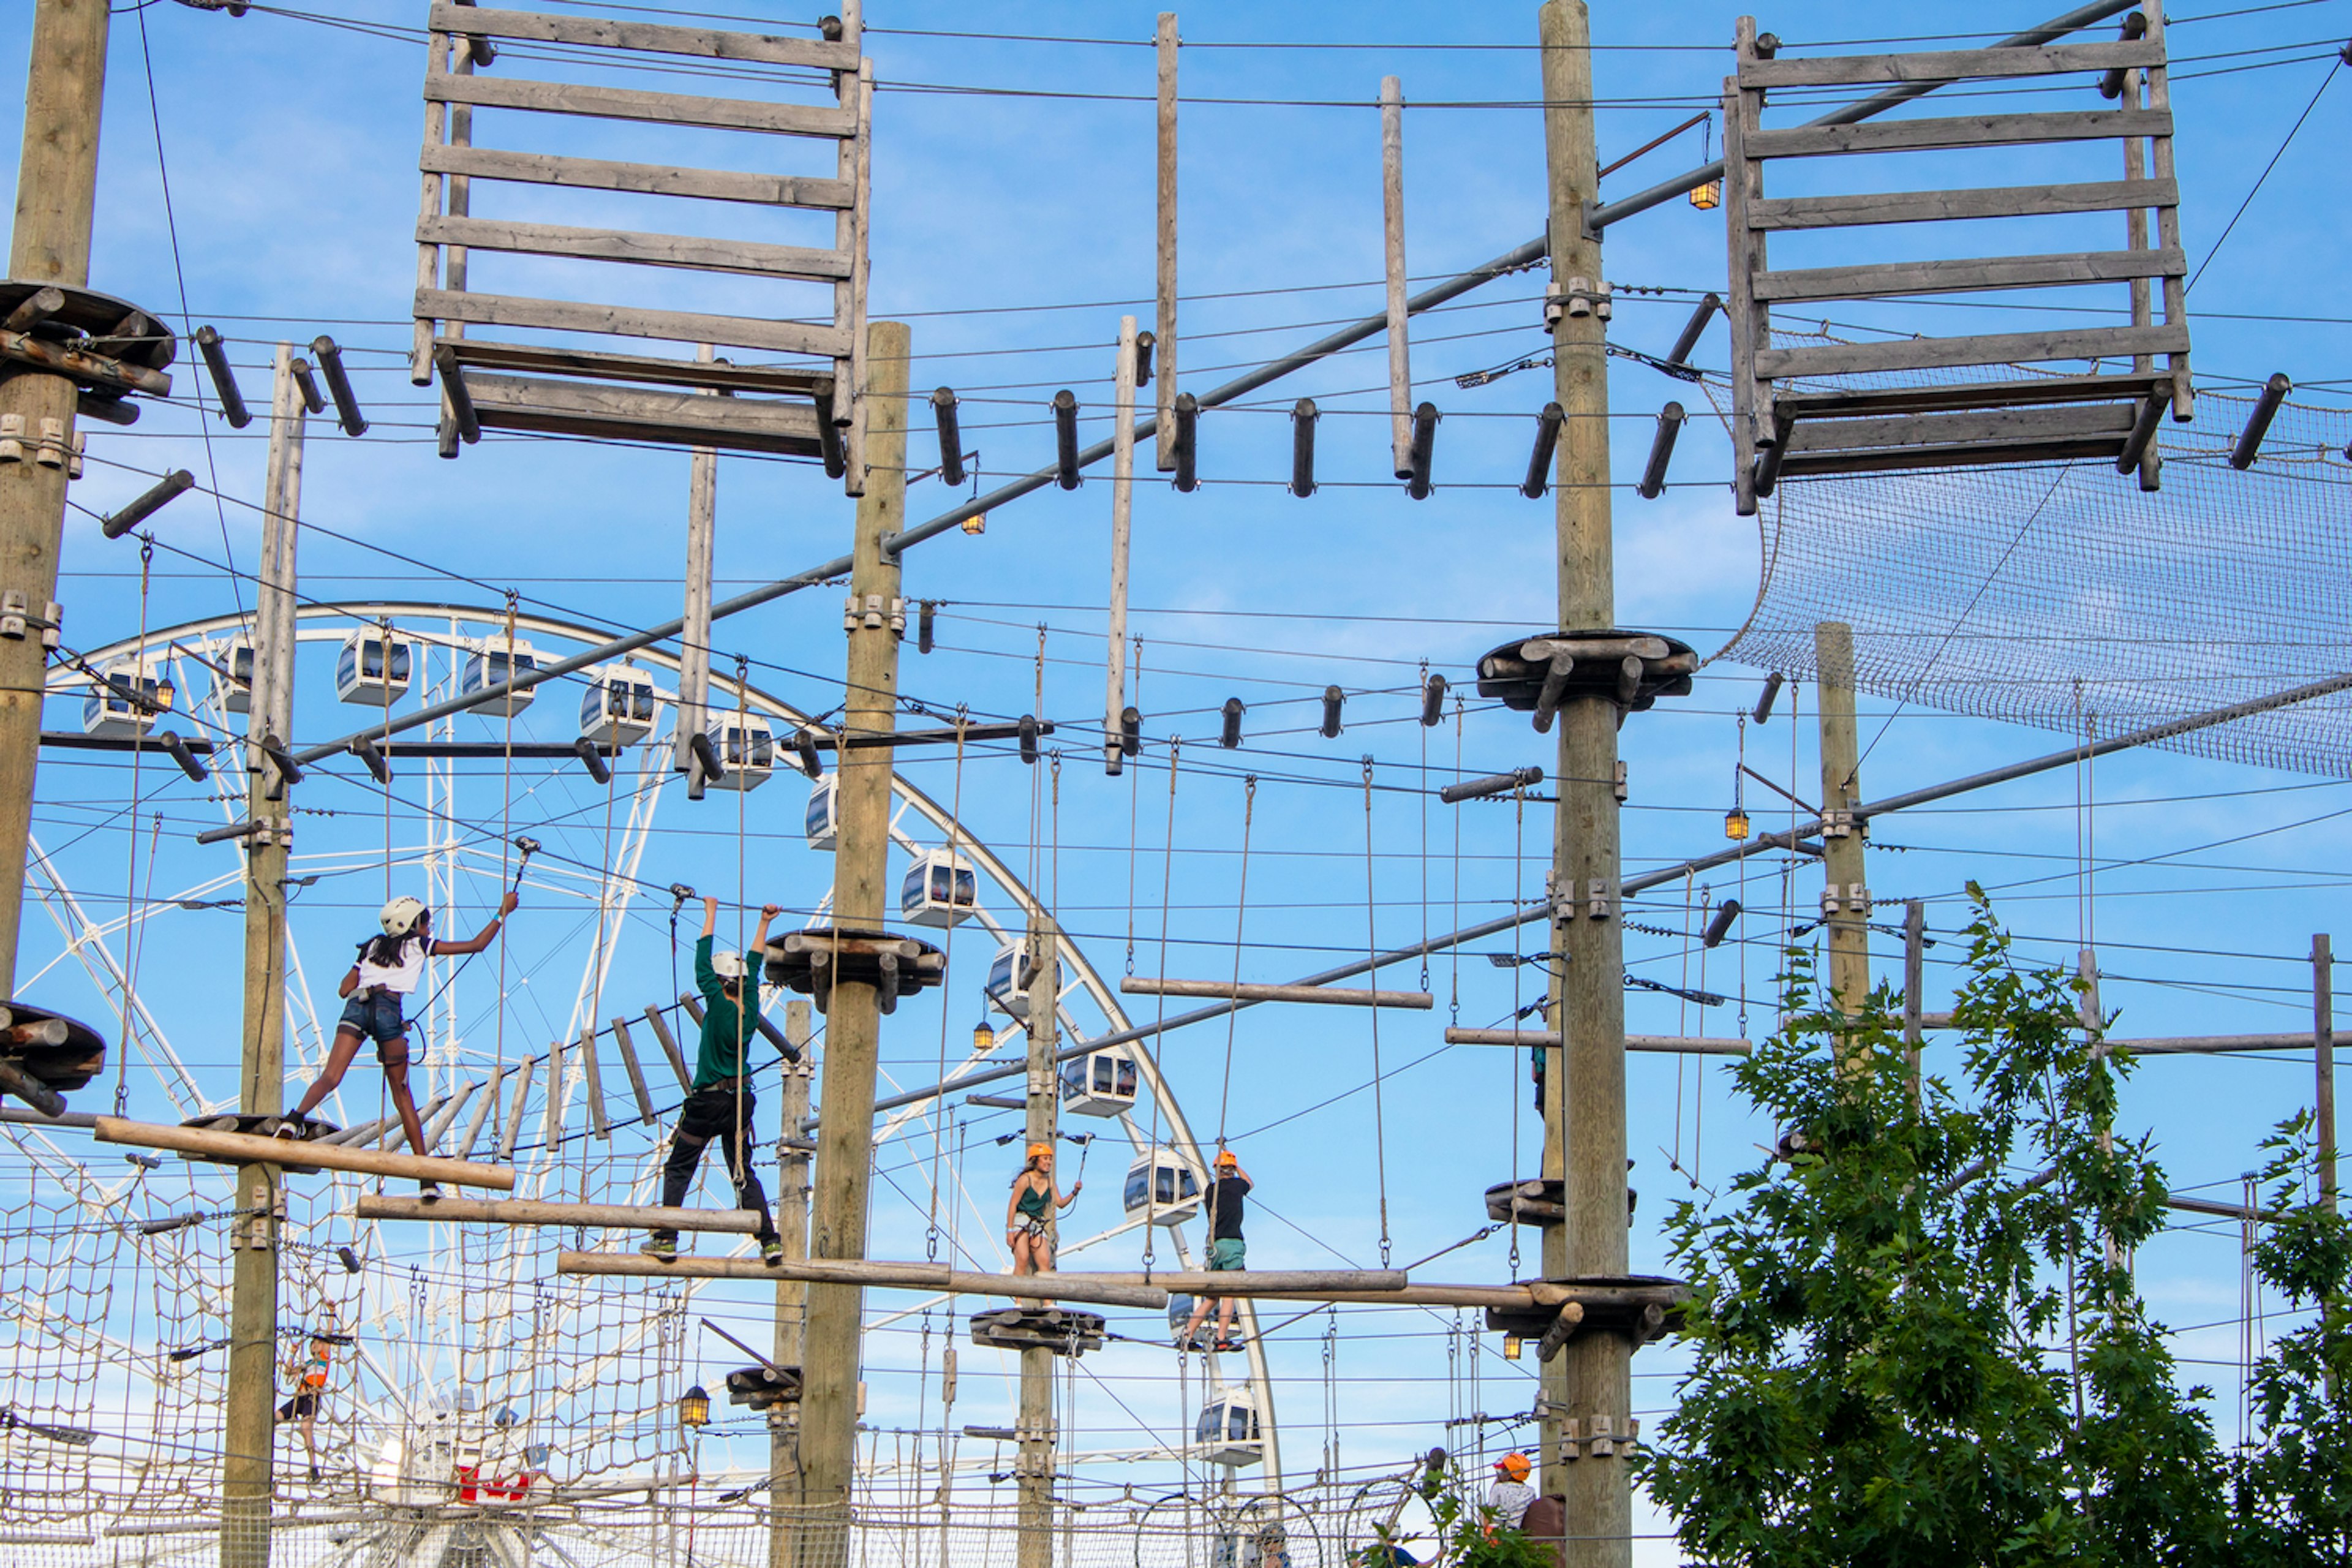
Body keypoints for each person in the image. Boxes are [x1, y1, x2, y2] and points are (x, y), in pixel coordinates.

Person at [285, 892, 518, 1188]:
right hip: (387, 1011)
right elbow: (477, 946)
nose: (429, 928)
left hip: (356, 1008)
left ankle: (292, 1121)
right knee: (403, 1096)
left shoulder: (371, 946)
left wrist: (368, 972)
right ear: (413, 924)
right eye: (426, 923)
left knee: (330, 1077)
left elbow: (345, 989)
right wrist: (502, 912)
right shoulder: (419, 944)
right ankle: (425, 1180)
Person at [643, 897, 784, 1264]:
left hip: (708, 1102)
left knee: (679, 1166)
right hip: (740, 1102)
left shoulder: (719, 1004)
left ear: (719, 983)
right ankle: (769, 1240)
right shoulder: (749, 1007)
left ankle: (667, 1238)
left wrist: (709, 913)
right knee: (741, 1170)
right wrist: (764, 923)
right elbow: (753, 964)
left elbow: (701, 963)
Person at [1180, 1150, 1251, 1351]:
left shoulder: (1210, 1191)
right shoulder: (1238, 1186)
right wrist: (1238, 1168)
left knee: (1212, 1297)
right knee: (1229, 1294)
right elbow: (1250, 1184)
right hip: (1232, 1244)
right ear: (1232, 1171)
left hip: (1214, 1247)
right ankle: (1221, 1339)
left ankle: (1187, 1334)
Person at [1005, 1141, 1082, 1275]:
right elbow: (1013, 1205)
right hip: (1021, 1219)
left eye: (1050, 1159)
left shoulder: (1050, 1182)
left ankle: (1047, 1296)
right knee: (1022, 1258)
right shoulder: (1025, 1180)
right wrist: (1010, 1231)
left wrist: (1074, 1192)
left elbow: (1060, 1203)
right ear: (1036, 1161)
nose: (1049, 1162)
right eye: (1045, 1159)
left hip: (1037, 1222)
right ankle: (1018, 1296)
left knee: (1045, 1262)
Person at [276, 1330, 334, 1483]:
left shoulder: (324, 1360)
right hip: (299, 1398)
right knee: (275, 1417)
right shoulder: (307, 1364)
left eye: (318, 1343)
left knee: (306, 1427)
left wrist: (331, 1314)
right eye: (313, 1344)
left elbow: (328, 1337)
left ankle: (313, 1466)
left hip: (312, 1398)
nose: (316, 1345)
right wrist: (292, 1353)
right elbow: (288, 1371)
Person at [1487, 1450, 1537, 1531]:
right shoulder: (1531, 1492)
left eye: (1502, 1471)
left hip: (1497, 1533)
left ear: (1510, 1473)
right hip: (1516, 1534)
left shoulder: (1498, 1488)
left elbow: (1489, 1511)